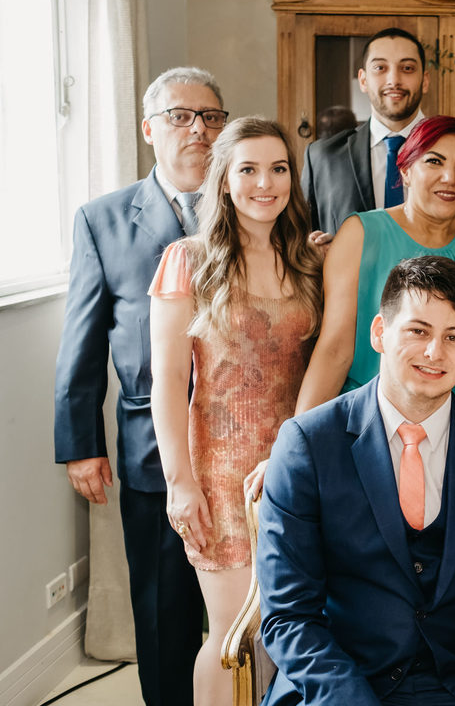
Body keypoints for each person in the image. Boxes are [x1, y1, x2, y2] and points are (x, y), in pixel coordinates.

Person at [257, 256, 455, 706]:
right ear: (379, 332)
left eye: (454, 337)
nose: (435, 352)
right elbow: (289, 617)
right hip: (343, 685)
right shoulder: (308, 445)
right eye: (418, 330)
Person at [52, 67, 222, 705]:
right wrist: (81, 444)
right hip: (151, 444)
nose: (198, 129)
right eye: (181, 115)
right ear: (149, 128)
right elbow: (83, 337)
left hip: (245, 437)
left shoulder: (255, 202)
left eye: (211, 116)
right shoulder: (102, 219)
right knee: (163, 606)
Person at [148, 117, 322, 706]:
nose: (265, 183)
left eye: (278, 169)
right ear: (223, 180)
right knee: (233, 632)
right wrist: (180, 483)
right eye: (248, 169)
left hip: (296, 466)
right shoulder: (189, 260)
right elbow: (169, 381)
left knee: (287, 626)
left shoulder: (308, 263)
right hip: (220, 475)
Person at [296, 116, 455, 414]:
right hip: (367, 412)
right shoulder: (360, 233)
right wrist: (299, 434)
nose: (450, 178)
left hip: (451, 415)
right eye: (434, 162)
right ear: (405, 171)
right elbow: (334, 349)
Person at [301, 27, 455, 232]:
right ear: (363, 80)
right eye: (380, 68)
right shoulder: (322, 157)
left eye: (407, 68)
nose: (394, 80)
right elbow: (301, 238)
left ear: (425, 80)